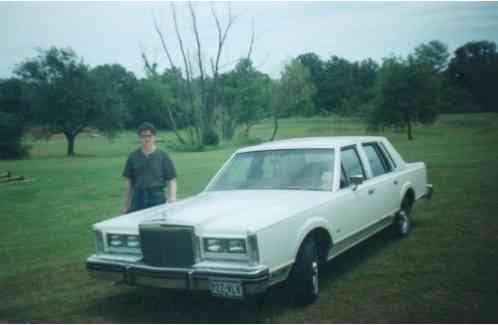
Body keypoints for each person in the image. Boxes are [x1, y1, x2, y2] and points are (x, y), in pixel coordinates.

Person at [122, 122, 177, 213]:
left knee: (156, 225)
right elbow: (128, 183)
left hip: (157, 199)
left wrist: (172, 198)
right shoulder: (132, 157)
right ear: (139, 138)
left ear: (154, 137)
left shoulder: (163, 156)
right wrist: (127, 205)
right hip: (138, 199)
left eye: (149, 136)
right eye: (143, 136)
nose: (147, 139)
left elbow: (171, 180)